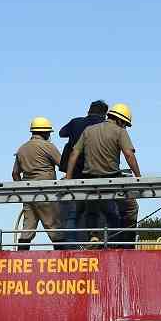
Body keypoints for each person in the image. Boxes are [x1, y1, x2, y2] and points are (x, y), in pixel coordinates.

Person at [63, 103, 141, 247]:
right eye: (125, 124)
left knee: (92, 209)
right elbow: (129, 155)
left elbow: (74, 153)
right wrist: (138, 177)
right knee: (130, 208)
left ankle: (93, 237)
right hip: (112, 179)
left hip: (89, 180)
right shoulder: (119, 131)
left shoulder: (88, 130)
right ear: (120, 120)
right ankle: (125, 243)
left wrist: (68, 178)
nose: (125, 127)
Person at [12, 117, 62, 250]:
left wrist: (22, 190)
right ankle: (63, 259)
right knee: (54, 227)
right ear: (46, 132)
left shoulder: (22, 149)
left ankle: (21, 258)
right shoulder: (47, 146)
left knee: (27, 228)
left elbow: (15, 174)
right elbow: (63, 165)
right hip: (46, 193)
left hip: (28, 194)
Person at [57, 100, 108, 230]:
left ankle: (70, 241)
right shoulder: (104, 125)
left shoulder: (76, 122)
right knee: (94, 208)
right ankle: (94, 236)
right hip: (96, 173)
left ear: (89, 111)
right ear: (104, 114)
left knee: (74, 212)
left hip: (74, 173)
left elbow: (61, 133)